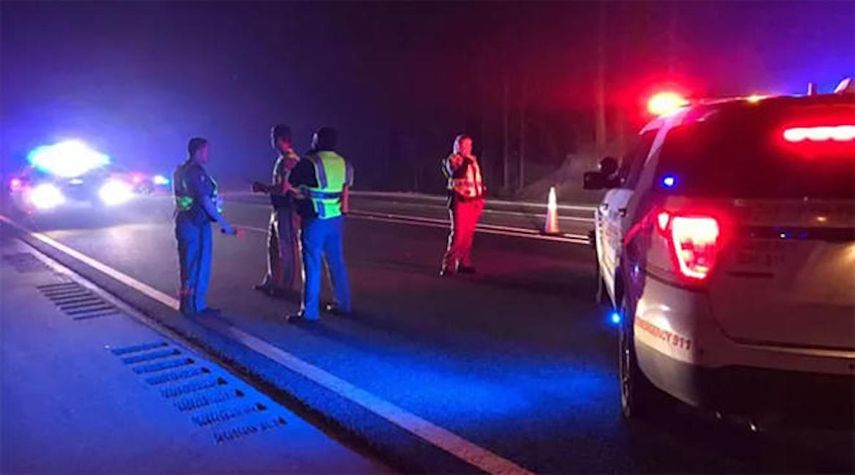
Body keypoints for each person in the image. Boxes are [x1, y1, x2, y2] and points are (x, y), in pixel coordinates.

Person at [286, 127, 353, 323]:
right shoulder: (343, 162)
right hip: (335, 218)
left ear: (317, 140)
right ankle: (344, 304)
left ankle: (309, 312)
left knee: (312, 264)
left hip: (315, 218)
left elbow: (292, 182)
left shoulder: (310, 162)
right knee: (336, 263)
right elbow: (345, 190)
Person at [173, 137, 240, 316]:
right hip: (195, 223)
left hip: (187, 221)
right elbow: (204, 200)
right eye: (206, 150)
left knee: (188, 265)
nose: (208, 154)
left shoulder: (182, 170)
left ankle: (188, 305)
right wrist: (225, 224)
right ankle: (196, 306)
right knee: (197, 265)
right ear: (198, 151)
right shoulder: (195, 172)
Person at [252, 125, 302, 298]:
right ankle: (274, 280)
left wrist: (263, 188)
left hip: (287, 209)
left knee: (287, 247)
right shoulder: (283, 159)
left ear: (281, 139)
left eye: (274, 137)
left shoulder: (289, 160)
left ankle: (288, 286)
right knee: (273, 246)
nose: (272, 141)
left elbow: (284, 188)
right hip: (279, 208)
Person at [440, 134, 485, 276]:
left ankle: (464, 262)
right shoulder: (454, 159)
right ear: (458, 146)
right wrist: (465, 160)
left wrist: (480, 199)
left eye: (469, 145)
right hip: (460, 200)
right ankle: (449, 265)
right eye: (464, 145)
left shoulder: (473, 160)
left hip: (474, 201)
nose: (467, 148)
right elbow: (455, 173)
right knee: (458, 234)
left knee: (468, 235)